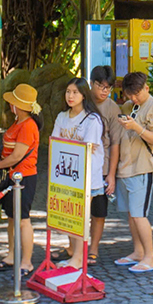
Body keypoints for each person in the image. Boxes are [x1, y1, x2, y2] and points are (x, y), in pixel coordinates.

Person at [51, 78, 105, 271]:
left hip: (86, 177)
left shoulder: (92, 119)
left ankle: (79, 259)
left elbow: (87, 149)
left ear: (84, 95)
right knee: (69, 215)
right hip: (65, 176)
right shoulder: (61, 117)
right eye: (68, 91)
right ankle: (74, 252)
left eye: (75, 92)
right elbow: (55, 144)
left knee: (80, 217)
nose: (70, 96)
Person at [115, 72, 153, 272]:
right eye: (130, 95)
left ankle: (149, 257)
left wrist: (136, 127)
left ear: (147, 87)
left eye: (136, 94)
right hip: (126, 167)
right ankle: (137, 251)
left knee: (139, 215)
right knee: (131, 214)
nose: (133, 98)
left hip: (143, 167)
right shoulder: (128, 106)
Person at [0, 84, 41, 275]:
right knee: (12, 219)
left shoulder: (28, 126)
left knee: (23, 220)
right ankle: (11, 255)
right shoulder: (18, 122)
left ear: (18, 105)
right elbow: (8, 151)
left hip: (24, 178)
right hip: (13, 177)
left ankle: (26, 261)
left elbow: (17, 155)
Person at [89, 65, 123, 263]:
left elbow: (116, 144)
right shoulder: (81, 101)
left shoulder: (112, 108)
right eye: (100, 86)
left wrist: (111, 175)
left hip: (102, 166)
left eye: (108, 88)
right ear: (91, 83)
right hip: (79, 165)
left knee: (99, 211)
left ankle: (93, 248)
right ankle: (74, 247)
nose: (104, 91)